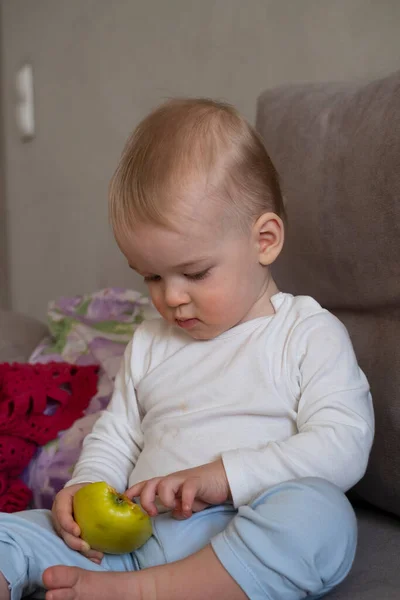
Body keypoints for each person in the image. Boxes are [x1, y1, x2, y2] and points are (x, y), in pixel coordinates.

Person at [0, 99, 374, 600]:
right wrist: (86, 490)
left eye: (194, 273)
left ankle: (142, 592)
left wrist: (226, 476)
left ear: (264, 240)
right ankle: (112, 582)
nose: (170, 298)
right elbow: (118, 435)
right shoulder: (152, 340)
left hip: (236, 537)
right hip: (129, 542)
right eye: (152, 276)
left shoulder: (307, 334)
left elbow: (343, 444)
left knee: (322, 517)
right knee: (10, 534)